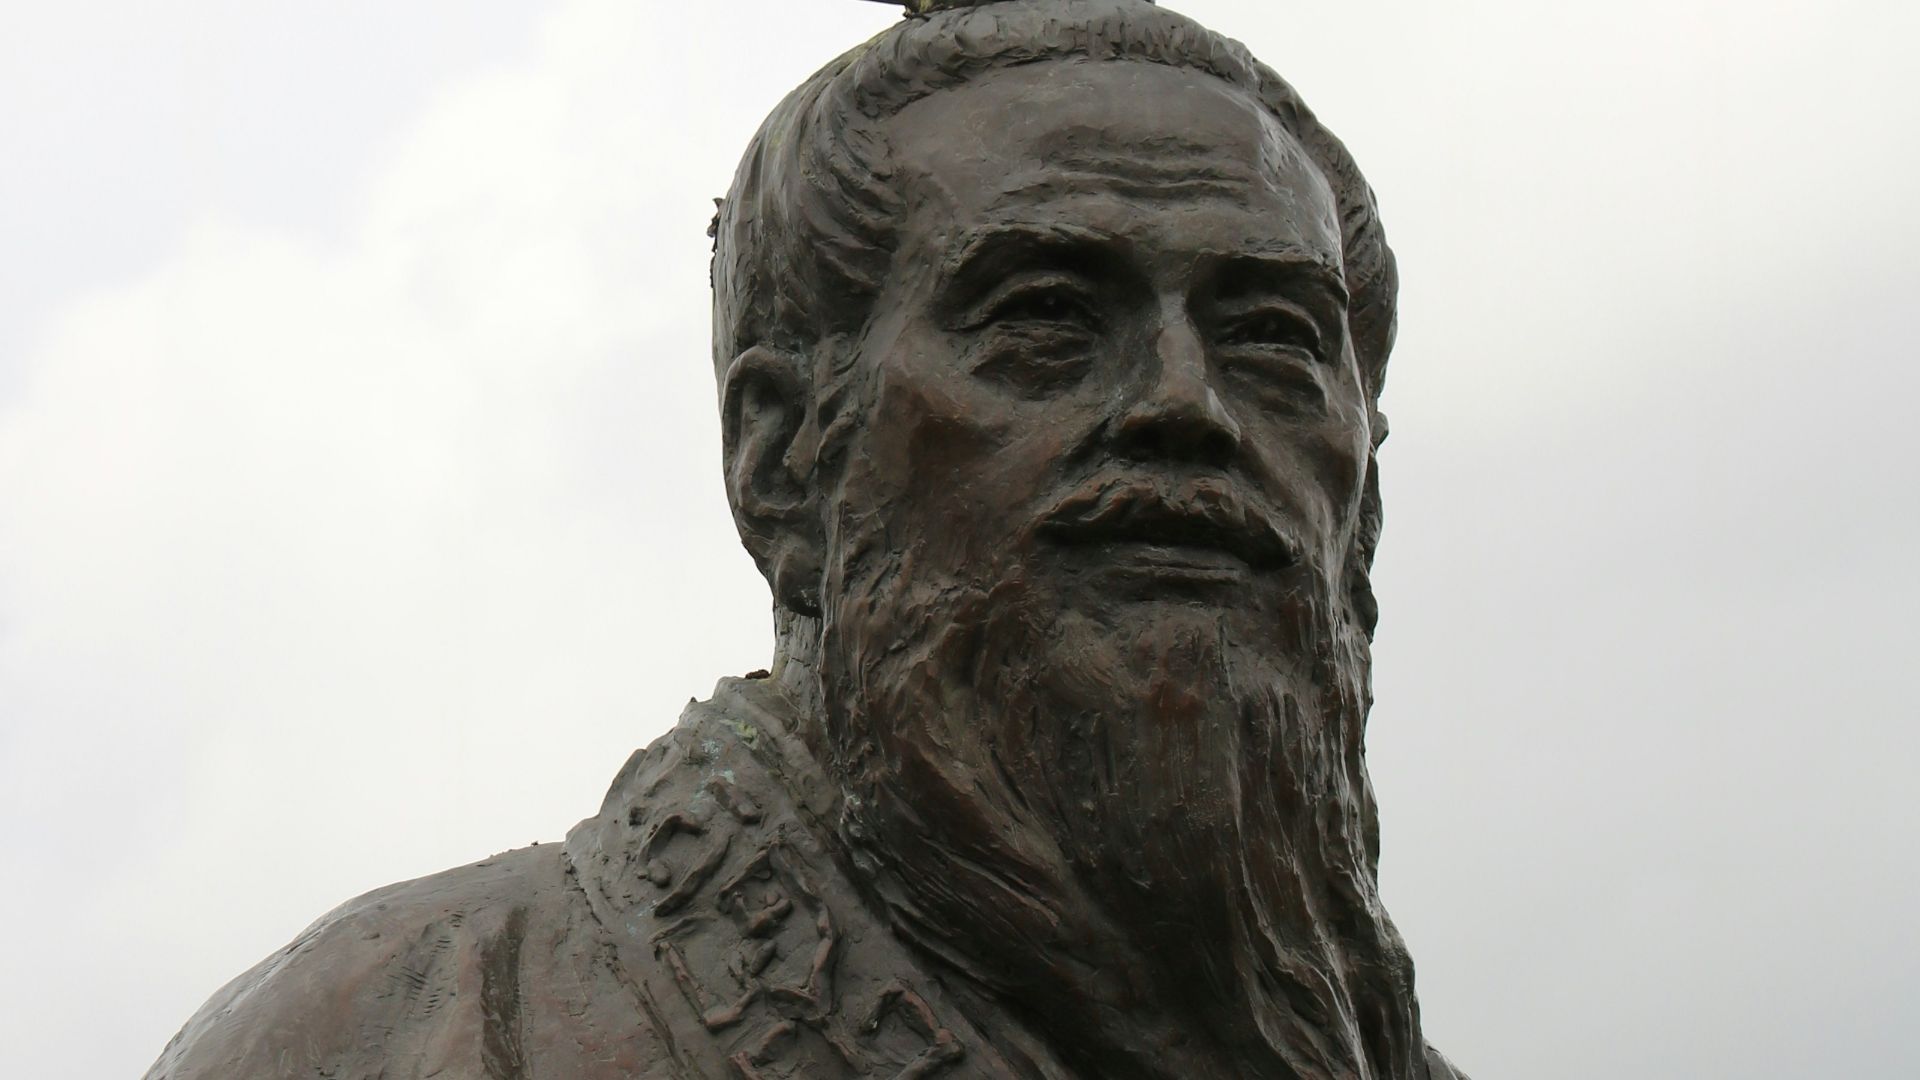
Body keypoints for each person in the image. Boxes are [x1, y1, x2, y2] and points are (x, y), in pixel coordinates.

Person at [147, 1, 1466, 1076]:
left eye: (1272, 339)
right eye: (1048, 320)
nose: (1187, 403)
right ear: (780, 457)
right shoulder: (397, 1030)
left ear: (1366, 488)